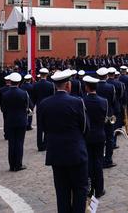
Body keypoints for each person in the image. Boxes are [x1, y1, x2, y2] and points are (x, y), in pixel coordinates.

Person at [37, 69, 90, 213]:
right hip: (76, 152)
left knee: (62, 192)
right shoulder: (77, 102)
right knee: (80, 190)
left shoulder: (44, 104)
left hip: (56, 153)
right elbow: (85, 127)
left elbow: (42, 128)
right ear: (68, 85)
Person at [82, 75, 108, 198]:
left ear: (87, 87)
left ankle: (89, 188)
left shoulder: (82, 101)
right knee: (98, 162)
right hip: (99, 135)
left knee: (88, 162)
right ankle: (99, 189)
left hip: (86, 136)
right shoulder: (104, 101)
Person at [0, 73, 30, 171]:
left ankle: (12, 165)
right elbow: (28, 106)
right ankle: (18, 164)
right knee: (19, 143)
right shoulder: (24, 93)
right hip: (21, 120)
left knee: (11, 143)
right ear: (19, 82)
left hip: (9, 120)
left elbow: (3, 109)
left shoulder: (5, 94)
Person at [96, 67, 117, 168]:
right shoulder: (111, 87)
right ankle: (108, 160)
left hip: (97, 115)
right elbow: (113, 101)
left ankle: (98, 159)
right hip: (109, 115)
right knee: (109, 138)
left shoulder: (94, 86)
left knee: (98, 137)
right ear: (106, 76)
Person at [32, 68, 54, 151]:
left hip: (39, 107)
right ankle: (45, 144)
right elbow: (53, 96)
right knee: (48, 126)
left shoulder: (35, 85)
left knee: (39, 127)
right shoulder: (51, 85)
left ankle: (39, 145)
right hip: (48, 107)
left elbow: (33, 97)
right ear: (47, 75)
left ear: (40, 75)